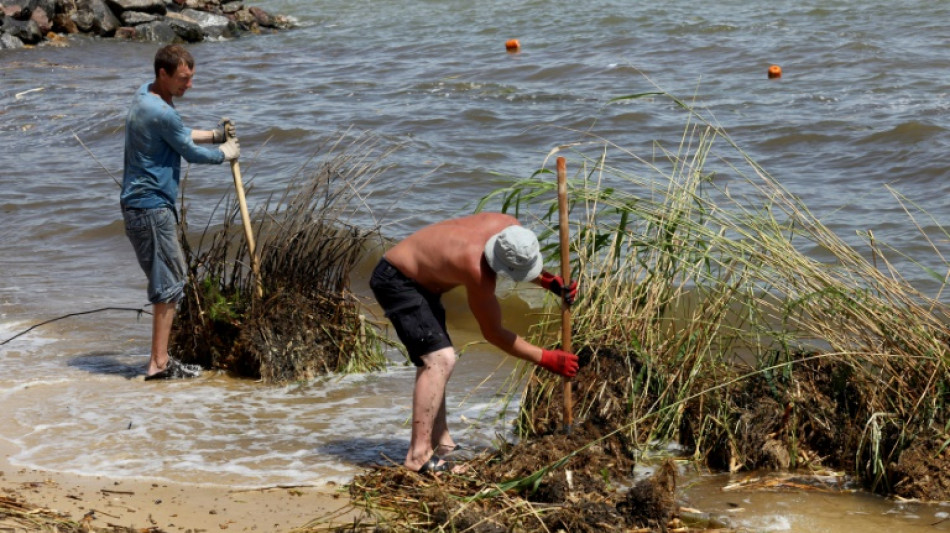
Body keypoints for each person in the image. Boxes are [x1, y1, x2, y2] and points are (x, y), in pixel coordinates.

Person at [369, 212, 580, 474]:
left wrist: (546, 280)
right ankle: (418, 456)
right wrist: (546, 358)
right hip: (397, 280)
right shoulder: (476, 268)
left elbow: (512, 260)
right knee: (439, 359)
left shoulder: (509, 227)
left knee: (436, 360)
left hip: (423, 281)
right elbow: (493, 333)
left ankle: (441, 443)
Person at [120, 44, 241, 381]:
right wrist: (225, 153)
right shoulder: (163, 112)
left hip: (138, 206)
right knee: (170, 284)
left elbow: (175, 136)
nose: (190, 85)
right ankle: (159, 365)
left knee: (167, 282)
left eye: (191, 78)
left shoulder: (145, 95)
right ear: (163, 73)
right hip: (151, 209)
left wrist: (214, 135)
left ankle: (160, 360)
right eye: (183, 79)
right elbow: (189, 153)